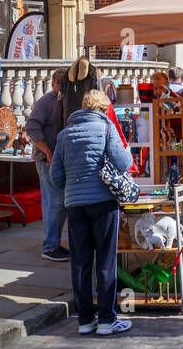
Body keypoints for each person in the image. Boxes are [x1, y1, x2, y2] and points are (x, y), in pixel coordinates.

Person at [50, 89, 133, 336]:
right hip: (103, 203)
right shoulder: (107, 129)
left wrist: (74, 187)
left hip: (75, 205)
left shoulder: (65, 134)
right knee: (106, 261)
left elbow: (56, 175)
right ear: (103, 108)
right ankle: (107, 320)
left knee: (81, 262)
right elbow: (123, 163)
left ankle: (85, 320)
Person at [24, 67, 69, 263]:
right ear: (54, 84)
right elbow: (31, 128)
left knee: (61, 204)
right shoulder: (46, 102)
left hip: (58, 159)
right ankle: (50, 246)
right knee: (54, 203)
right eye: (60, 83)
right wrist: (48, 151)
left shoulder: (65, 100)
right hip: (46, 160)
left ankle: (55, 244)